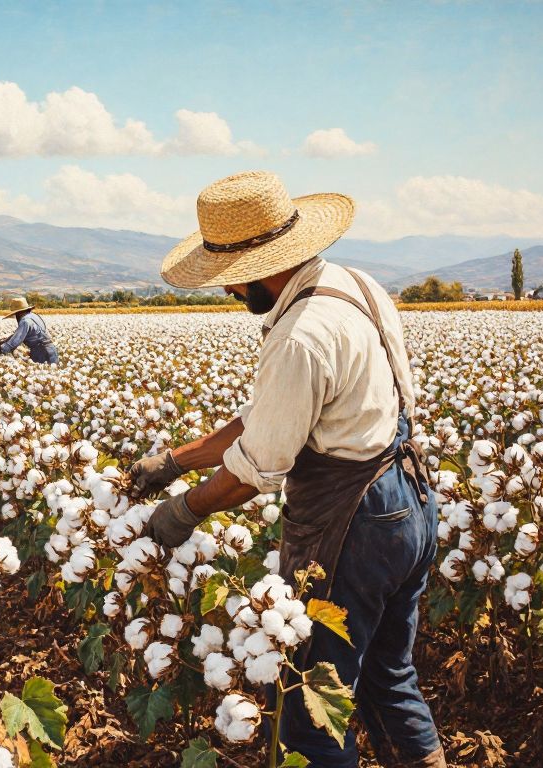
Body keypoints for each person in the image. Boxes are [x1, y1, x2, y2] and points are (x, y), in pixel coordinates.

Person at [127, 172, 445, 768]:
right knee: (387, 679)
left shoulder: (300, 336)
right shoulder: (353, 285)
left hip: (356, 526)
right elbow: (268, 418)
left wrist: (182, 512)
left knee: (311, 709)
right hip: (410, 503)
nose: (227, 293)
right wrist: (177, 460)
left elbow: (259, 468)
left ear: (255, 267)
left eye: (228, 280)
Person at [0, 297, 58, 364]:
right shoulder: (33, 316)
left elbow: (15, 341)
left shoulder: (25, 321)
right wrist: (2, 342)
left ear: (18, 313)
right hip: (51, 350)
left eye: (16, 314)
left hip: (41, 352)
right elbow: (19, 335)